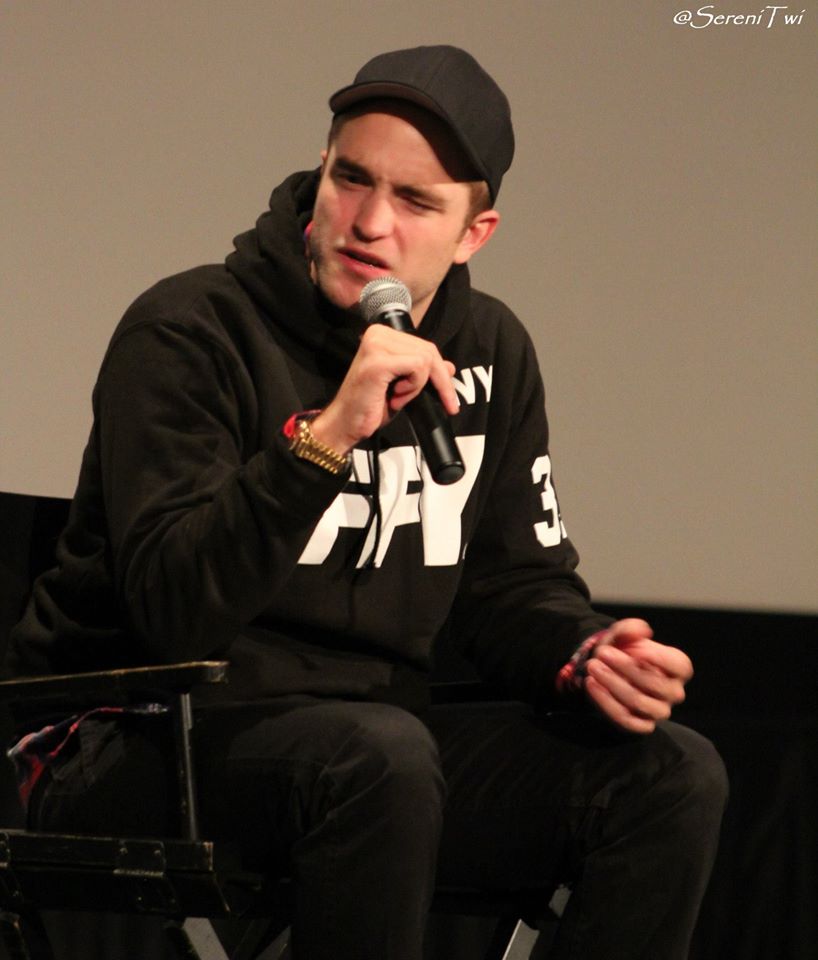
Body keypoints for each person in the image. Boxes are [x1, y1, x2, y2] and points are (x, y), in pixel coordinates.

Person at [9, 45, 727, 959]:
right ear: (321, 172)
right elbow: (172, 613)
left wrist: (580, 656)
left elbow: (511, 589)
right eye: (351, 179)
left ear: (474, 234)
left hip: (377, 756)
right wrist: (326, 437)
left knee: (669, 775)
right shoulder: (190, 330)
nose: (370, 223)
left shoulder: (490, 350)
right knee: (377, 758)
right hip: (135, 738)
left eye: (416, 201)